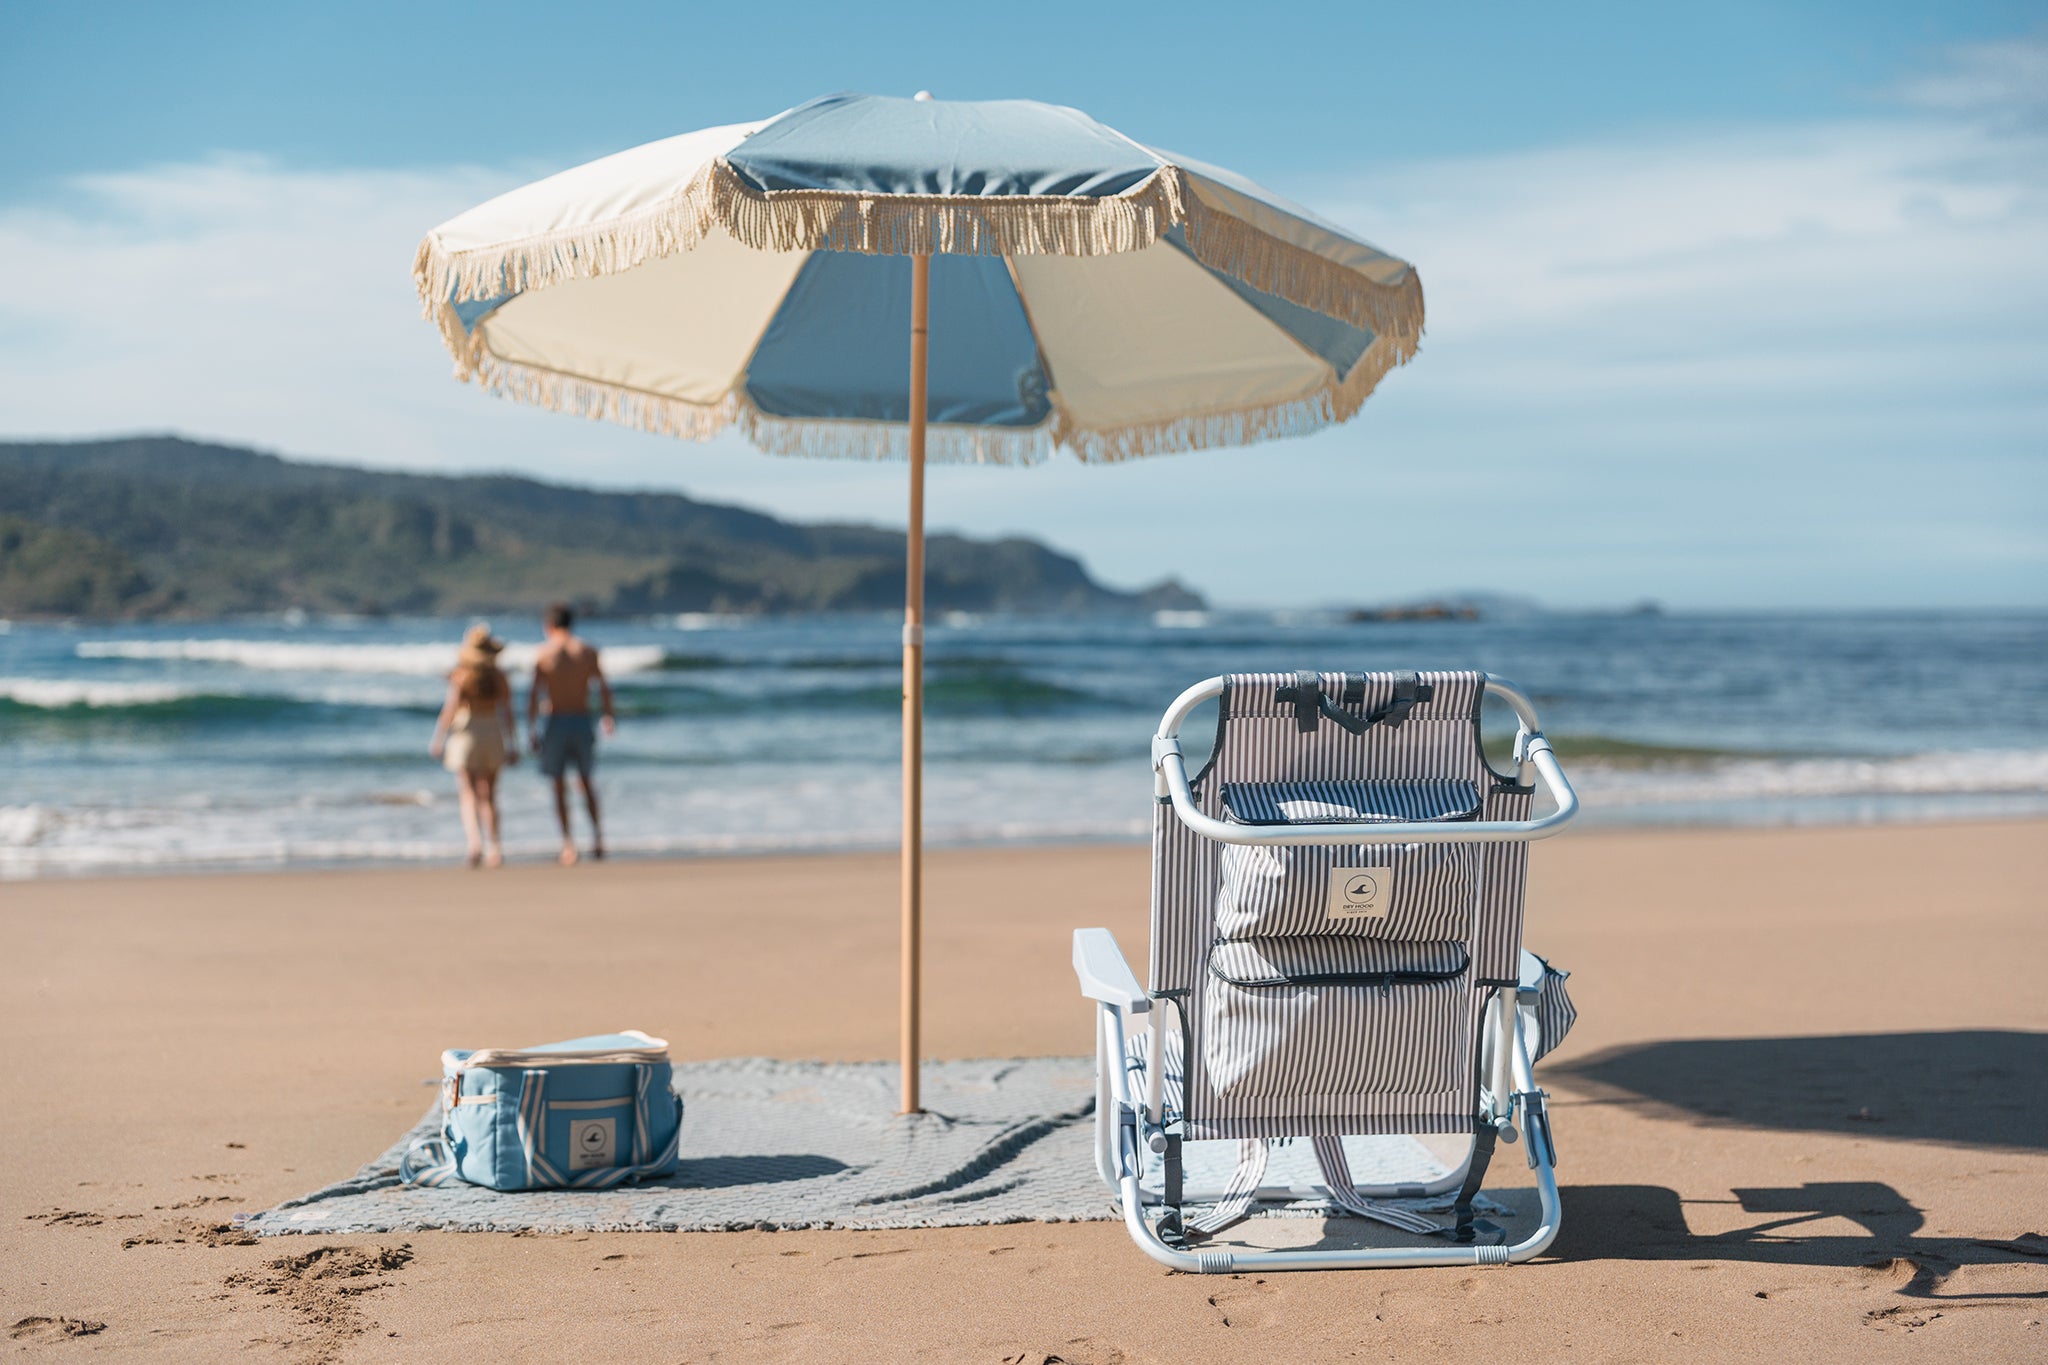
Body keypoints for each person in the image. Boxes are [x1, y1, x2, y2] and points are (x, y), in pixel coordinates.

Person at [528, 602, 616, 865]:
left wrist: (531, 728)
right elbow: (603, 688)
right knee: (586, 781)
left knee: (558, 785)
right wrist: (609, 716)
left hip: (555, 721)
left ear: (549, 626)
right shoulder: (587, 651)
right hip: (582, 719)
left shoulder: (544, 653)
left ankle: (568, 844)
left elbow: (534, 695)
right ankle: (598, 838)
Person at [429, 623, 518, 868]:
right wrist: (513, 744)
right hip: (492, 732)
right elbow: (508, 713)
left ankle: (474, 843)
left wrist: (438, 739)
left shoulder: (461, 675)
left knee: (468, 794)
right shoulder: (500, 677)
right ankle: (495, 847)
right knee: (489, 795)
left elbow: (450, 710)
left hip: (466, 733)